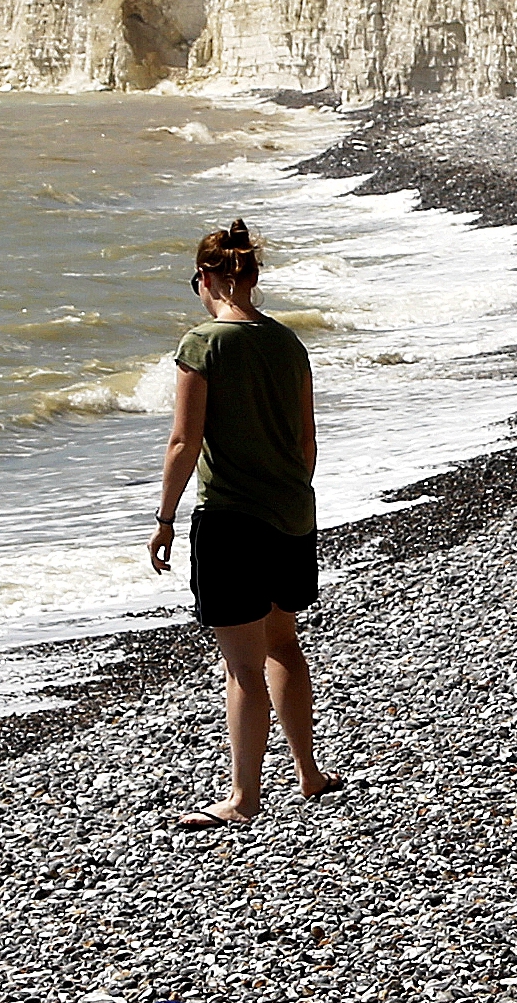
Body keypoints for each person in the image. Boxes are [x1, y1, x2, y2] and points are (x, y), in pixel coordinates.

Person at [148, 219, 341, 827]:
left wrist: (164, 518)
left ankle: (244, 798)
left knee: (242, 663)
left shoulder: (203, 344)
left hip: (231, 519)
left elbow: (184, 440)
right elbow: (308, 442)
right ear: (252, 278)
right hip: (290, 516)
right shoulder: (288, 344)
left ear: (206, 278)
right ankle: (308, 771)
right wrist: (291, 493)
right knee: (283, 641)